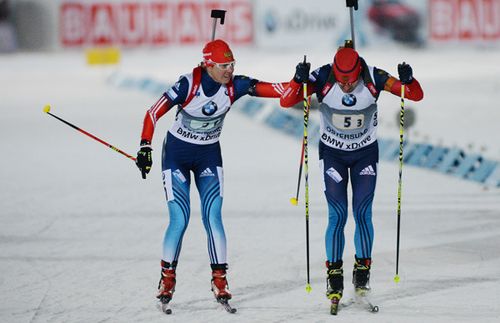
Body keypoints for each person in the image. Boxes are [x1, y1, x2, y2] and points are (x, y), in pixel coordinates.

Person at [135, 39, 287, 309]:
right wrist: (145, 146)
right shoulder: (187, 84)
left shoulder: (235, 86)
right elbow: (152, 113)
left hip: (208, 156)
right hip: (176, 157)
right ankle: (167, 279)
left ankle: (220, 280)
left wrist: (299, 82)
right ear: (208, 65)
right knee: (179, 218)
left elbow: (276, 90)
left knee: (213, 217)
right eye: (223, 66)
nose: (229, 70)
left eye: (232, 64)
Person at [280, 45, 423, 303]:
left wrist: (409, 80)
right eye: (341, 81)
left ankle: (362, 273)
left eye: (351, 81)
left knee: (362, 212)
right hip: (333, 155)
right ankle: (334, 276)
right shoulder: (323, 76)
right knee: (337, 214)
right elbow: (286, 100)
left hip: (364, 155)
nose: (346, 87)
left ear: (359, 71)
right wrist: (298, 79)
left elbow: (414, 95)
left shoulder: (374, 77)